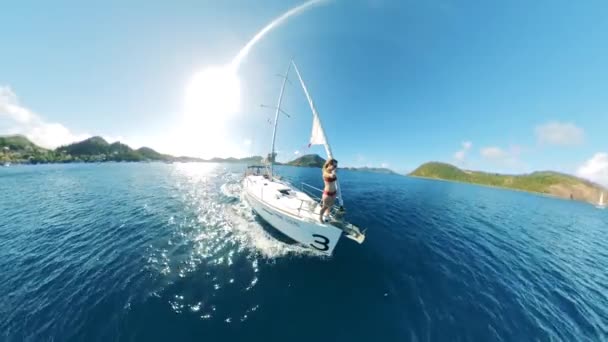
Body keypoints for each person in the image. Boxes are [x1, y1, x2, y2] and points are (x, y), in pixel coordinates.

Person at [320, 158, 338, 223]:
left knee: (330, 205)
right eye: (334, 166)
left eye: (336, 166)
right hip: (327, 194)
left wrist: (334, 171)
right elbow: (332, 176)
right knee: (324, 207)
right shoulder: (325, 172)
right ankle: (320, 217)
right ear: (329, 164)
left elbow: (334, 176)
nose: (335, 167)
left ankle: (327, 215)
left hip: (334, 192)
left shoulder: (331, 171)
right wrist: (334, 172)